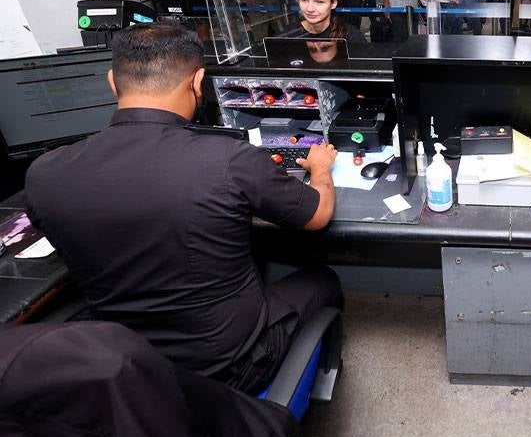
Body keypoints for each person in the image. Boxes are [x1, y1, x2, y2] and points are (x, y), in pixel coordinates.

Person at [24, 23, 342, 394]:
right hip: (229, 366)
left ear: (113, 82)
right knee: (323, 279)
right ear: (198, 82)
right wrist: (320, 169)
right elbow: (317, 215)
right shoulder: (228, 160)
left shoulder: (44, 174)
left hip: (125, 365)